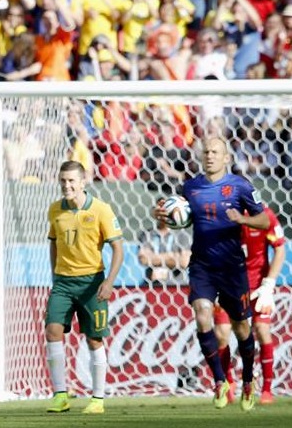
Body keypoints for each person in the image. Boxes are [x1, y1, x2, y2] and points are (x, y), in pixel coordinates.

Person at [153, 135, 269, 411]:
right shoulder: (190, 187)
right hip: (202, 265)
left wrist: (242, 219)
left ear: (226, 157)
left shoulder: (240, 186)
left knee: (242, 328)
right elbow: (178, 214)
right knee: (202, 314)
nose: (210, 156)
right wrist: (161, 214)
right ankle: (219, 381)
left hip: (232, 267)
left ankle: (249, 380)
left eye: (215, 152)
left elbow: (264, 220)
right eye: (206, 152)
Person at [45, 160, 124, 415]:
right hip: (63, 282)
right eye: (63, 180)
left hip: (92, 283)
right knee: (53, 331)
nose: (66, 185)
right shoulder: (55, 210)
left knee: (93, 339)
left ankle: (98, 399)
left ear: (82, 182)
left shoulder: (101, 210)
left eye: (71, 181)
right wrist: (55, 274)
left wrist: (108, 282)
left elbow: (118, 248)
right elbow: (53, 242)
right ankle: (60, 395)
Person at [214, 203, 285, 405]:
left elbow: (280, 250)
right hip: (229, 284)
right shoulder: (222, 215)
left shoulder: (264, 215)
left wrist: (269, 285)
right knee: (221, 333)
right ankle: (228, 382)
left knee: (262, 329)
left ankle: (267, 389)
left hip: (258, 286)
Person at [137, 197, 192, 286]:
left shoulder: (182, 235)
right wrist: (172, 256)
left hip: (176, 285)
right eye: (160, 208)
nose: (162, 212)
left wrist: (154, 258)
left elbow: (184, 262)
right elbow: (144, 259)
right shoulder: (147, 234)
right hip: (152, 285)